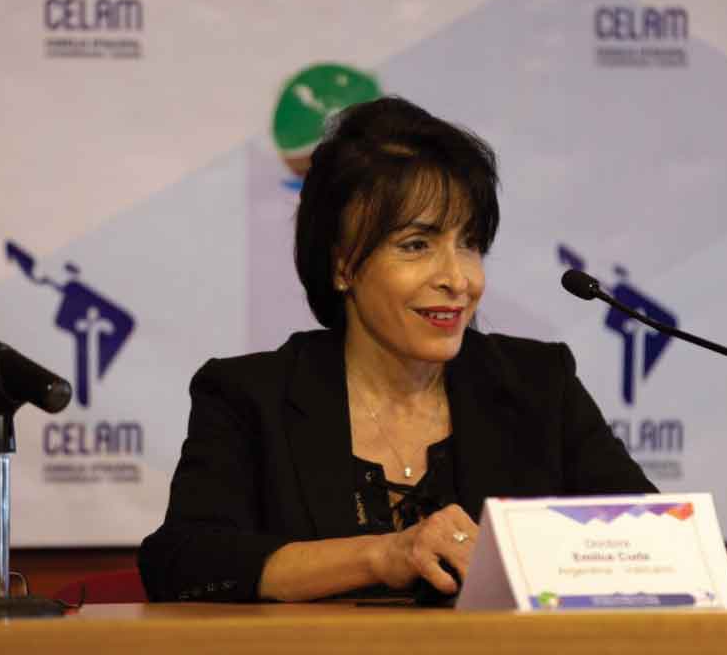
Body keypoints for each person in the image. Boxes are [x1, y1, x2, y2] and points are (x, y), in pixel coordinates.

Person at [138, 97, 655, 603]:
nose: (458, 279)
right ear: (343, 265)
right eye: (416, 245)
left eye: (470, 243)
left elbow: (653, 544)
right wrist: (382, 555)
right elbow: (185, 561)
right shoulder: (250, 398)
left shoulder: (538, 385)